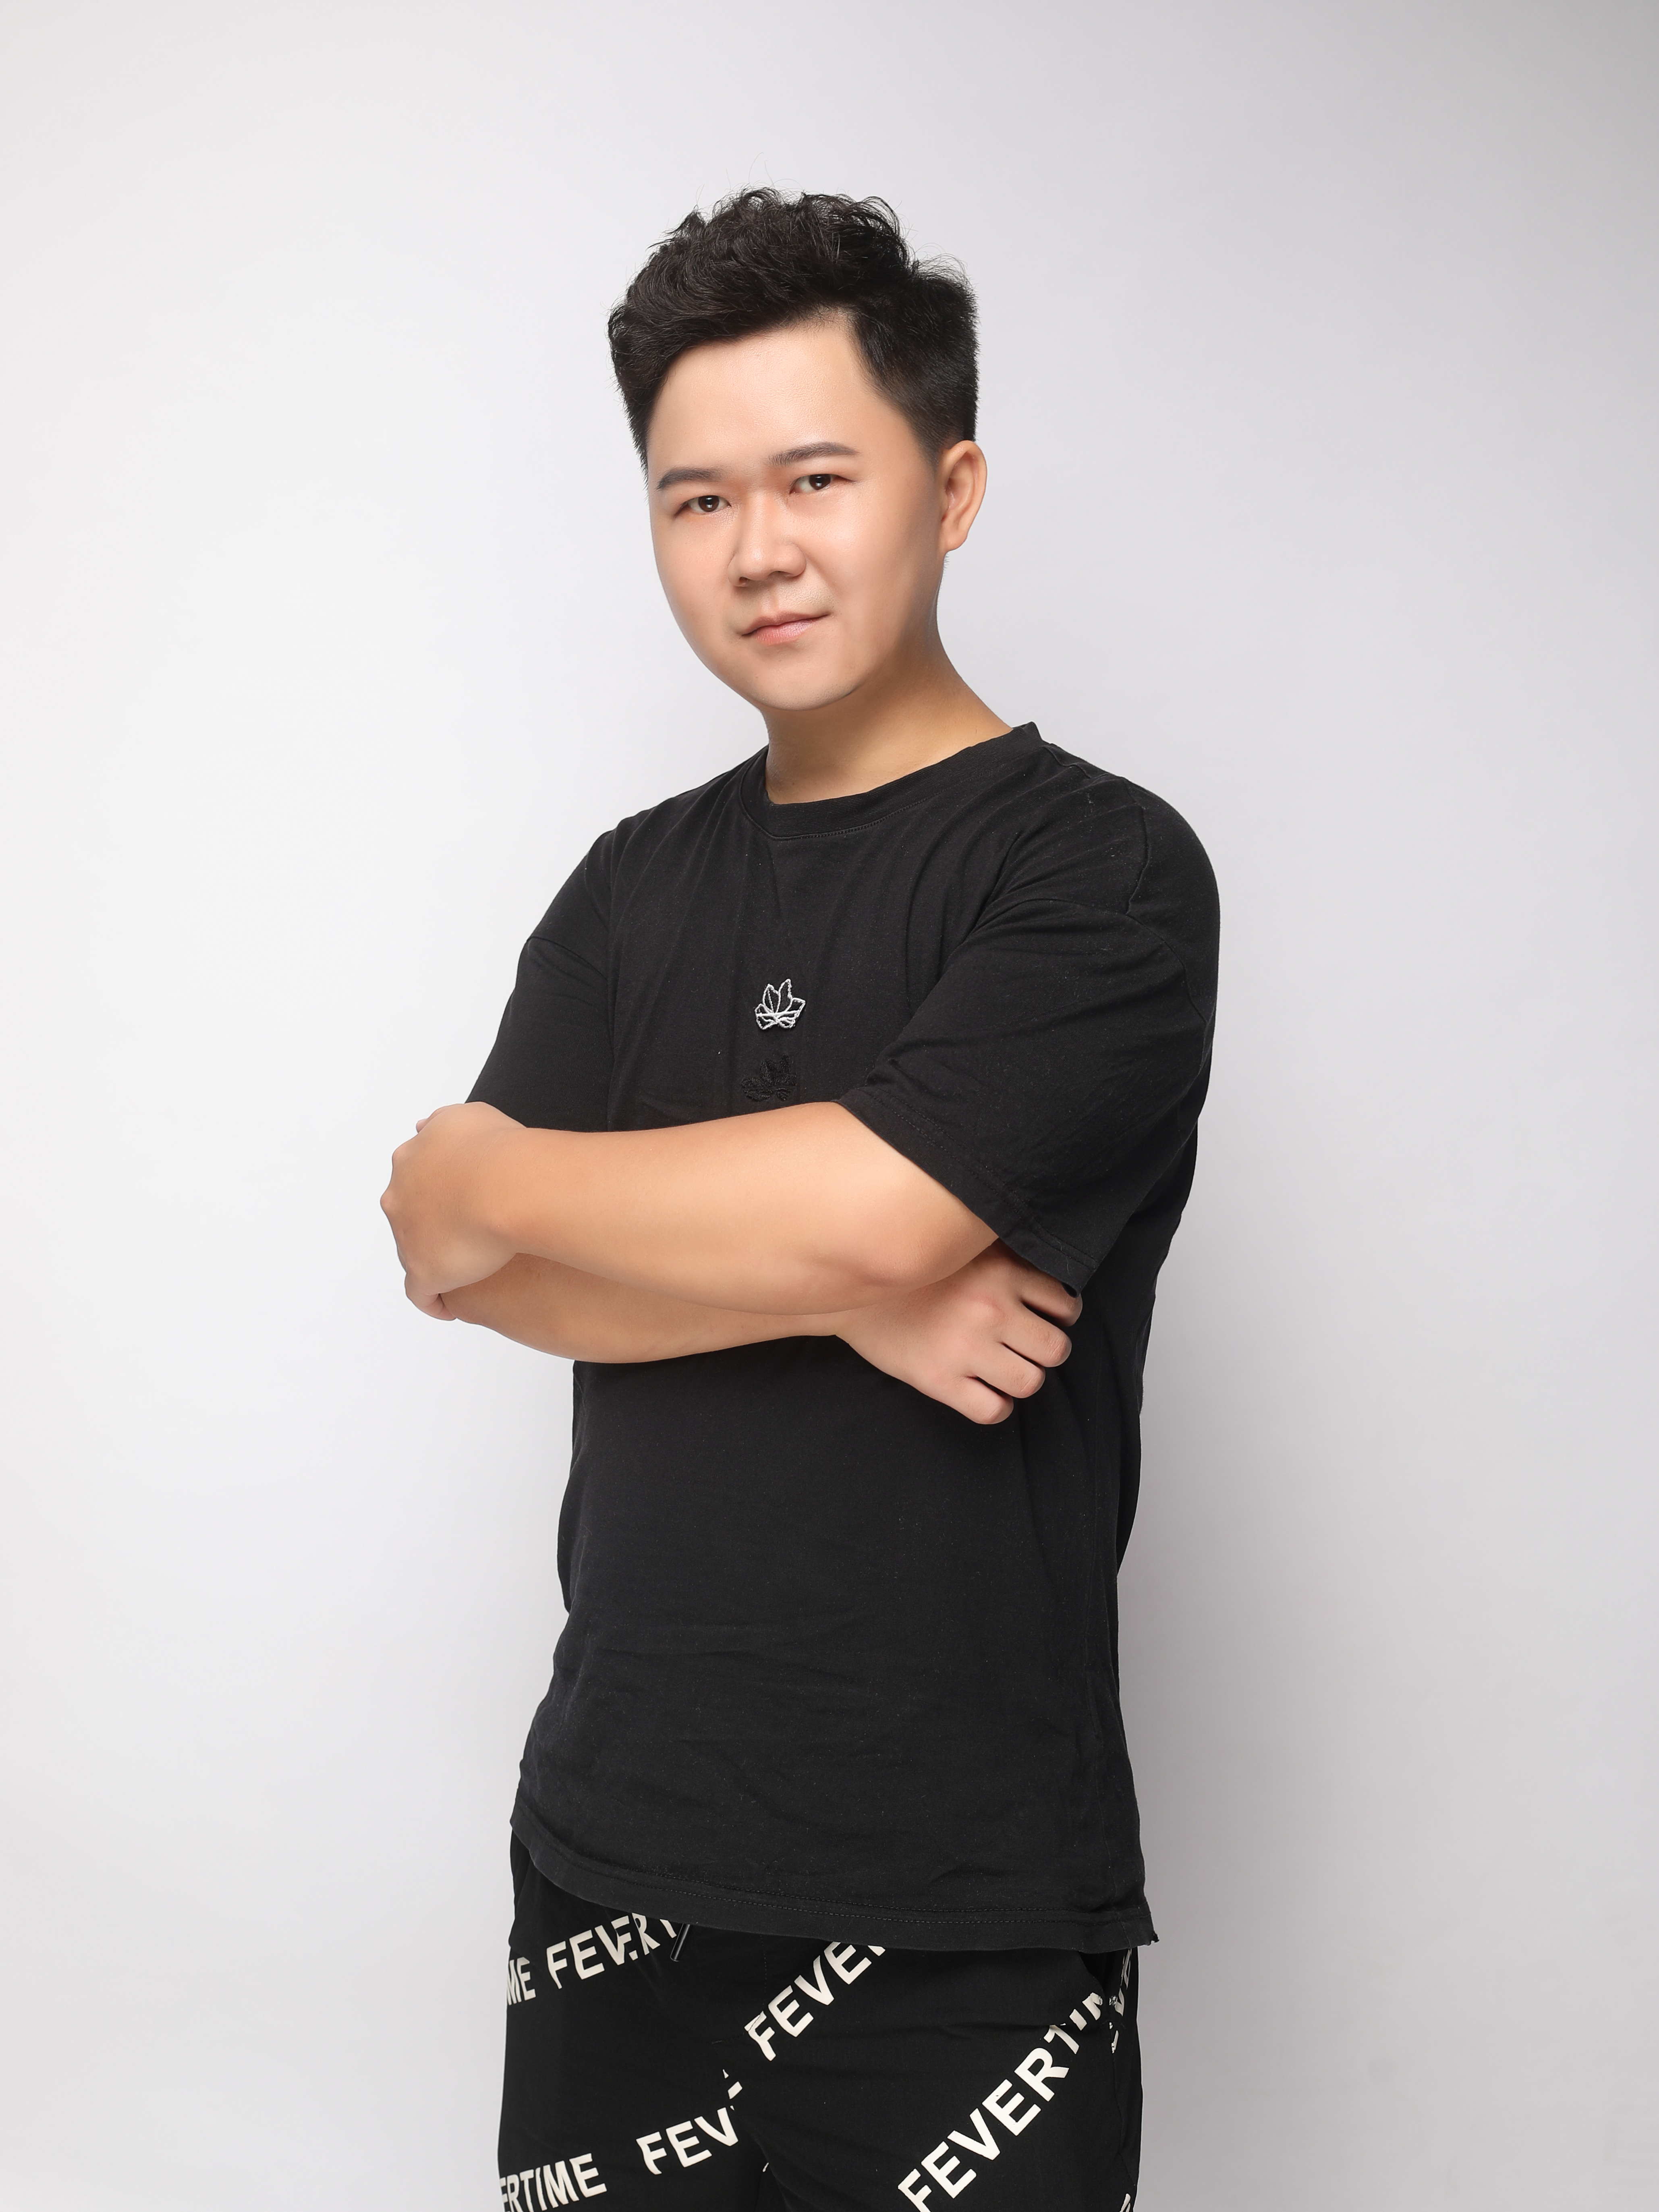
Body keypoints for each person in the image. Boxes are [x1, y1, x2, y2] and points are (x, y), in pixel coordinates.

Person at [381, 187, 1218, 2212]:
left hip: (961, 1910)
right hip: (610, 1860)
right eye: (697, 499)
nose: (758, 546)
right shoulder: (628, 885)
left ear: (951, 490)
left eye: (815, 478)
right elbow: (457, 1261)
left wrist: (493, 1159)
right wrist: (842, 1290)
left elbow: (850, 1212)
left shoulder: (1095, 871)